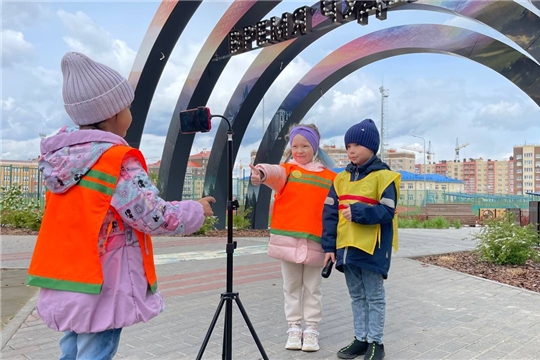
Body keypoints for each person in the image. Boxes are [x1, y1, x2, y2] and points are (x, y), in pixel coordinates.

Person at [26, 52, 216, 360]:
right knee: (97, 351)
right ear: (112, 114)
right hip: (103, 278)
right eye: (127, 107)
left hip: (67, 274)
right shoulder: (115, 161)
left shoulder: (60, 162)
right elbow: (154, 216)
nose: (130, 114)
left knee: (72, 348)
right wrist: (195, 210)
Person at [249, 124, 336, 352]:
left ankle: (312, 330)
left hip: (316, 241)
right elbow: (274, 173)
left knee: (313, 287)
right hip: (288, 240)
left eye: (305, 146)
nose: (299, 150)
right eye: (295, 146)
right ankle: (294, 327)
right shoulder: (287, 171)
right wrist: (261, 173)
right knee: (291, 286)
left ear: (315, 147)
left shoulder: (329, 177)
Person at [321, 119, 400, 360]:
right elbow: (330, 214)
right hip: (346, 249)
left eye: (356, 145)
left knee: (374, 296)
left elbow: (388, 211)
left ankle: (376, 342)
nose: (351, 150)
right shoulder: (340, 179)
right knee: (357, 296)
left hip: (372, 249)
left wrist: (357, 212)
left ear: (371, 147)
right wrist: (329, 247)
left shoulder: (385, 177)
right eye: (348, 146)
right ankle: (361, 339)